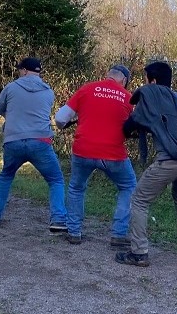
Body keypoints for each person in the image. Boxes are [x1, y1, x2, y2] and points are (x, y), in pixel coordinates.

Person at [115, 61, 177, 267]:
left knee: (139, 199)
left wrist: (130, 127)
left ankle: (138, 252)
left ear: (152, 81)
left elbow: (130, 125)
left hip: (170, 160)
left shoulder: (152, 97)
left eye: (146, 79)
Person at [0, 57, 67, 231]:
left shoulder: (11, 88)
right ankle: (58, 220)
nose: (19, 73)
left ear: (24, 70)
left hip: (14, 142)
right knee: (55, 180)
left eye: (20, 70)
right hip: (40, 141)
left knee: (6, 176)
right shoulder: (49, 91)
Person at [54, 65, 137, 246]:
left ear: (107, 76)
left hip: (83, 150)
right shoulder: (127, 97)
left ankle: (74, 232)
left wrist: (67, 125)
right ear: (124, 81)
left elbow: (60, 118)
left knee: (76, 188)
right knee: (128, 187)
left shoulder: (87, 89)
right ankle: (118, 235)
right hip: (113, 153)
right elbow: (134, 128)